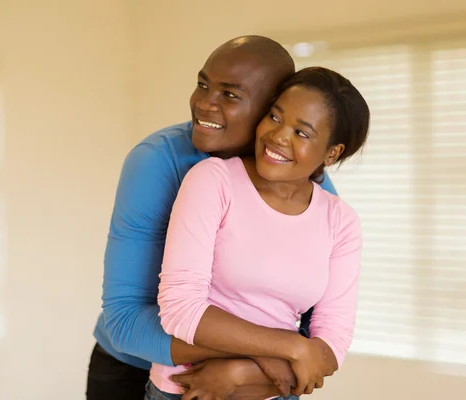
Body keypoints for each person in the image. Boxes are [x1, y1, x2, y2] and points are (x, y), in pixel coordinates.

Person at [87, 36, 339, 400]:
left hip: (250, 379)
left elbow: (317, 330)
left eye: (230, 94)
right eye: (203, 84)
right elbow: (125, 323)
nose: (205, 103)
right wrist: (269, 351)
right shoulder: (157, 162)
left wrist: (245, 370)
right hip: (134, 366)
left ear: (273, 109)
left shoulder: (314, 190)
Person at [146, 66, 370, 400]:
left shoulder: (341, 221)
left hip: (277, 393)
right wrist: (291, 347)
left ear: (332, 152)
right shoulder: (213, 181)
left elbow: (332, 342)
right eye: (275, 117)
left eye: (302, 132)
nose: (279, 136)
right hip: (186, 393)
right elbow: (180, 310)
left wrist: (240, 372)